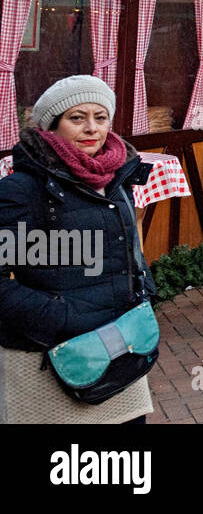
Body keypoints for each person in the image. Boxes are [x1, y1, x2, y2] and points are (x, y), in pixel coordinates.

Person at [0, 76, 156, 423]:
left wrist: (143, 287)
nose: (91, 128)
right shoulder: (22, 190)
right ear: (52, 126)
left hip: (120, 346)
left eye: (100, 117)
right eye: (76, 117)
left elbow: (127, 247)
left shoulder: (115, 180)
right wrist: (58, 317)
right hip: (53, 357)